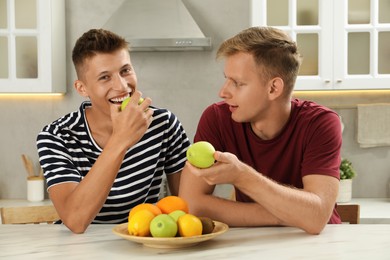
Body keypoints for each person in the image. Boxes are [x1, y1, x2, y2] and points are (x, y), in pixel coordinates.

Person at [179, 26, 342, 235]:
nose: (223, 92)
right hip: (255, 241)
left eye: (237, 83)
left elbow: (316, 218)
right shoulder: (217, 119)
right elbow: (191, 205)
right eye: (226, 79)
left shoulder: (321, 123)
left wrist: (242, 176)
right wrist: (289, 215)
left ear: (273, 88)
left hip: (320, 246)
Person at [36, 29, 190, 233]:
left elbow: (187, 207)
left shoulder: (163, 124)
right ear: (82, 88)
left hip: (144, 239)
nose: (122, 86)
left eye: (125, 70)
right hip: (80, 249)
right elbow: (75, 219)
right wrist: (121, 139)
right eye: (104, 77)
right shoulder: (56, 136)